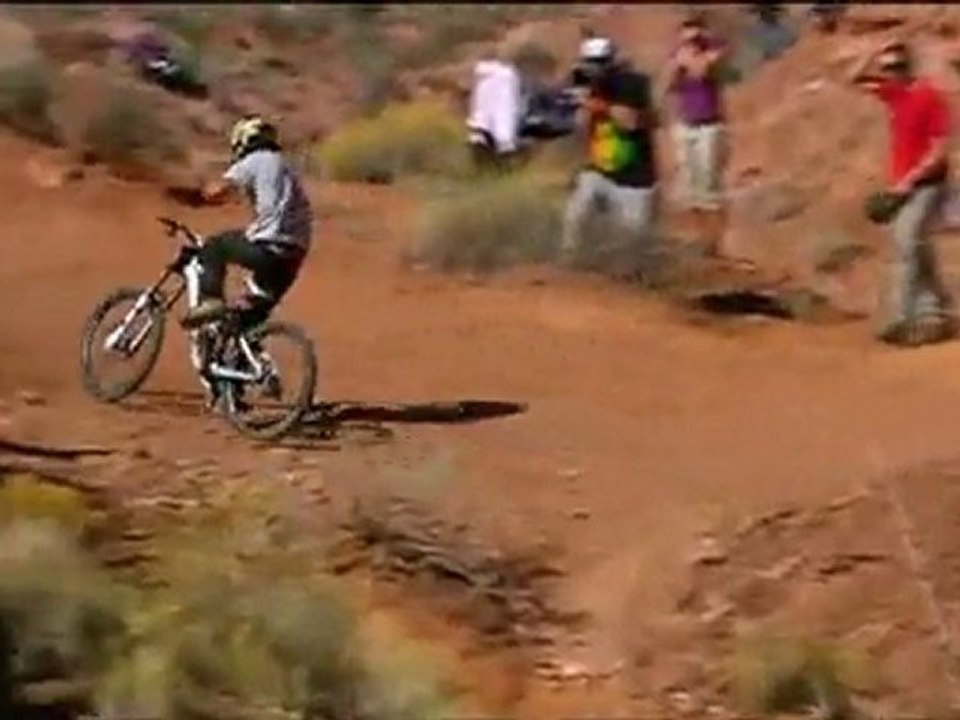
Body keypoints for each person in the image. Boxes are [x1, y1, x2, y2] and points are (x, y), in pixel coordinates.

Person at [849, 40, 955, 346]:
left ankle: (900, 317)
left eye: (896, 67)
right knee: (916, 247)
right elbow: (852, 78)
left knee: (906, 242)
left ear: (909, 67)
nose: (890, 73)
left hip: (927, 183)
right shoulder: (894, 94)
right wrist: (871, 52)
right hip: (901, 184)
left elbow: (939, 150)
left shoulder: (929, 96)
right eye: (886, 69)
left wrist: (910, 180)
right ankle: (935, 310)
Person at [181, 116, 313, 330]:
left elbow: (218, 191)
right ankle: (241, 358)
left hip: (269, 245)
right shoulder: (286, 167)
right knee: (245, 319)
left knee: (215, 245)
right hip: (293, 255)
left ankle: (210, 300)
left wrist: (193, 193)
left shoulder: (256, 160)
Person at [560, 36, 660, 268]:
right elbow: (579, 128)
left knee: (632, 244)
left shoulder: (632, 84)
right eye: (589, 63)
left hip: (635, 179)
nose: (593, 69)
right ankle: (570, 265)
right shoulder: (588, 86)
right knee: (576, 214)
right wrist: (581, 104)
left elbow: (631, 122)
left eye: (598, 63)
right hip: (601, 169)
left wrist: (599, 106)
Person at [660, 14, 749, 268]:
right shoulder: (677, 58)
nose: (691, 41)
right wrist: (676, 64)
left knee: (710, 186)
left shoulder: (714, 54)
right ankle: (701, 242)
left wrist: (692, 57)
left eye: (695, 36)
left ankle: (716, 243)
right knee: (690, 187)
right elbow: (666, 87)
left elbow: (703, 72)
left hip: (710, 126)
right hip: (686, 125)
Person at [466, 50, 523, 173]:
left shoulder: (480, 75)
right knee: (503, 142)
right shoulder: (508, 74)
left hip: (481, 121)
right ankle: (503, 171)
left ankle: (483, 173)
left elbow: (476, 99)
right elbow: (512, 98)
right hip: (502, 117)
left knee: (480, 143)